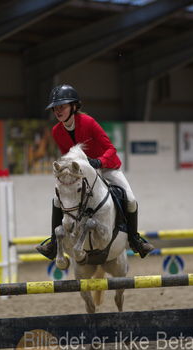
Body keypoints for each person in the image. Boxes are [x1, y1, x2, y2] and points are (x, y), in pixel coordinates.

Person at [36, 84, 154, 260]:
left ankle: (135, 239)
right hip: (83, 174)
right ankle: (53, 243)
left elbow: (110, 149)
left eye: (62, 107)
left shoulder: (88, 122)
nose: (58, 111)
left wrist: (99, 161)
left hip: (106, 167)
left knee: (130, 199)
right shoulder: (56, 131)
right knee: (56, 199)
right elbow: (68, 157)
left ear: (74, 107)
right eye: (55, 108)